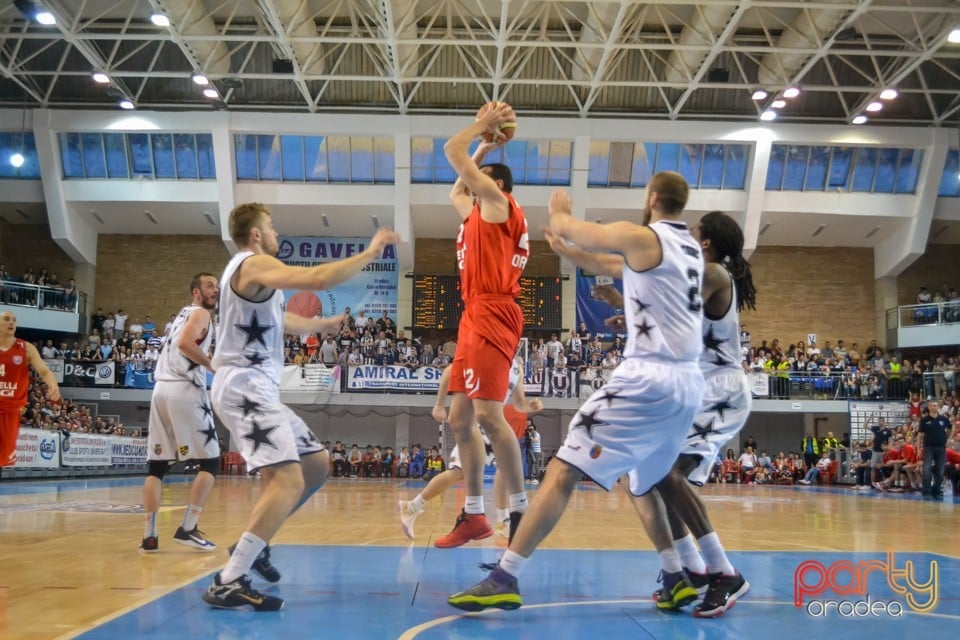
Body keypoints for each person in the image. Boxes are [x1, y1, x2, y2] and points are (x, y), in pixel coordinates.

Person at [448, 172, 705, 612]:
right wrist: (573, 255)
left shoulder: (643, 235)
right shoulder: (692, 251)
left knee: (563, 468)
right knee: (648, 484)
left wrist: (560, 214)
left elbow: (585, 233)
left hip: (648, 378)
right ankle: (682, 572)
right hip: (688, 384)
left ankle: (505, 576)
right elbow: (619, 270)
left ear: (654, 197)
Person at [201, 202, 398, 611]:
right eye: (270, 226)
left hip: (258, 388)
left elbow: (283, 320)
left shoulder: (259, 281)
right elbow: (320, 276)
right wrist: (370, 252)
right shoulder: (252, 264)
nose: (276, 232)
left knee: (315, 465)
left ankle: (254, 542)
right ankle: (228, 579)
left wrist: (321, 326)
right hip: (243, 385)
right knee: (286, 480)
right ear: (255, 234)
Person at [436, 102, 530, 549]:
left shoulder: (497, 204)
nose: (470, 186)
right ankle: (474, 515)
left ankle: (520, 511)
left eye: (481, 178)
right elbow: (456, 187)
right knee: (460, 416)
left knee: (490, 415)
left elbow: (451, 150)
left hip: (495, 310)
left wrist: (481, 127)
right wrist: (488, 143)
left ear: (494, 185)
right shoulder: (476, 212)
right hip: (474, 311)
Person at [399, 357, 543, 541]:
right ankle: (412, 506)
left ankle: (503, 520)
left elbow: (519, 403)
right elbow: (450, 370)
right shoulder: (487, 352)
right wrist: (439, 404)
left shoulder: (517, 369)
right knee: (458, 473)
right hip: (473, 424)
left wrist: (529, 405)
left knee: (504, 469)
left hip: (491, 427)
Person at [140, 273, 221, 553]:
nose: (215, 290)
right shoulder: (200, 314)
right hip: (185, 391)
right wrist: (212, 366)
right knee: (210, 464)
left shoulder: (182, 315)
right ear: (196, 292)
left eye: (217, 286)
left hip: (160, 390)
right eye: (210, 285)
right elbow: (186, 344)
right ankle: (188, 527)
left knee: (157, 468)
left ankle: (150, 536)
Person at [0, 311, 61, 467]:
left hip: (11, 409)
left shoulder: (26, 348)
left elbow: (44, 371)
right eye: (6, 319)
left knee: (3, 456)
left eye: (14, 320)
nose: (11, 322)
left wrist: (53, 385)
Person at [919, 401, 953, 500]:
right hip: (928, 448)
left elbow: (951, 427)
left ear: (937, 407)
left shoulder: (943, 419)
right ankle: (927, 492)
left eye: (935, 405)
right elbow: (920, 435)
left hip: (941, 448)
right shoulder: (924, 420)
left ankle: (936, 491)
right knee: (926, 470)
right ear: (928, 407)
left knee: (940, 470)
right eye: (931, 406)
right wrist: (918, 448)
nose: (933, 407)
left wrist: (949, 438)